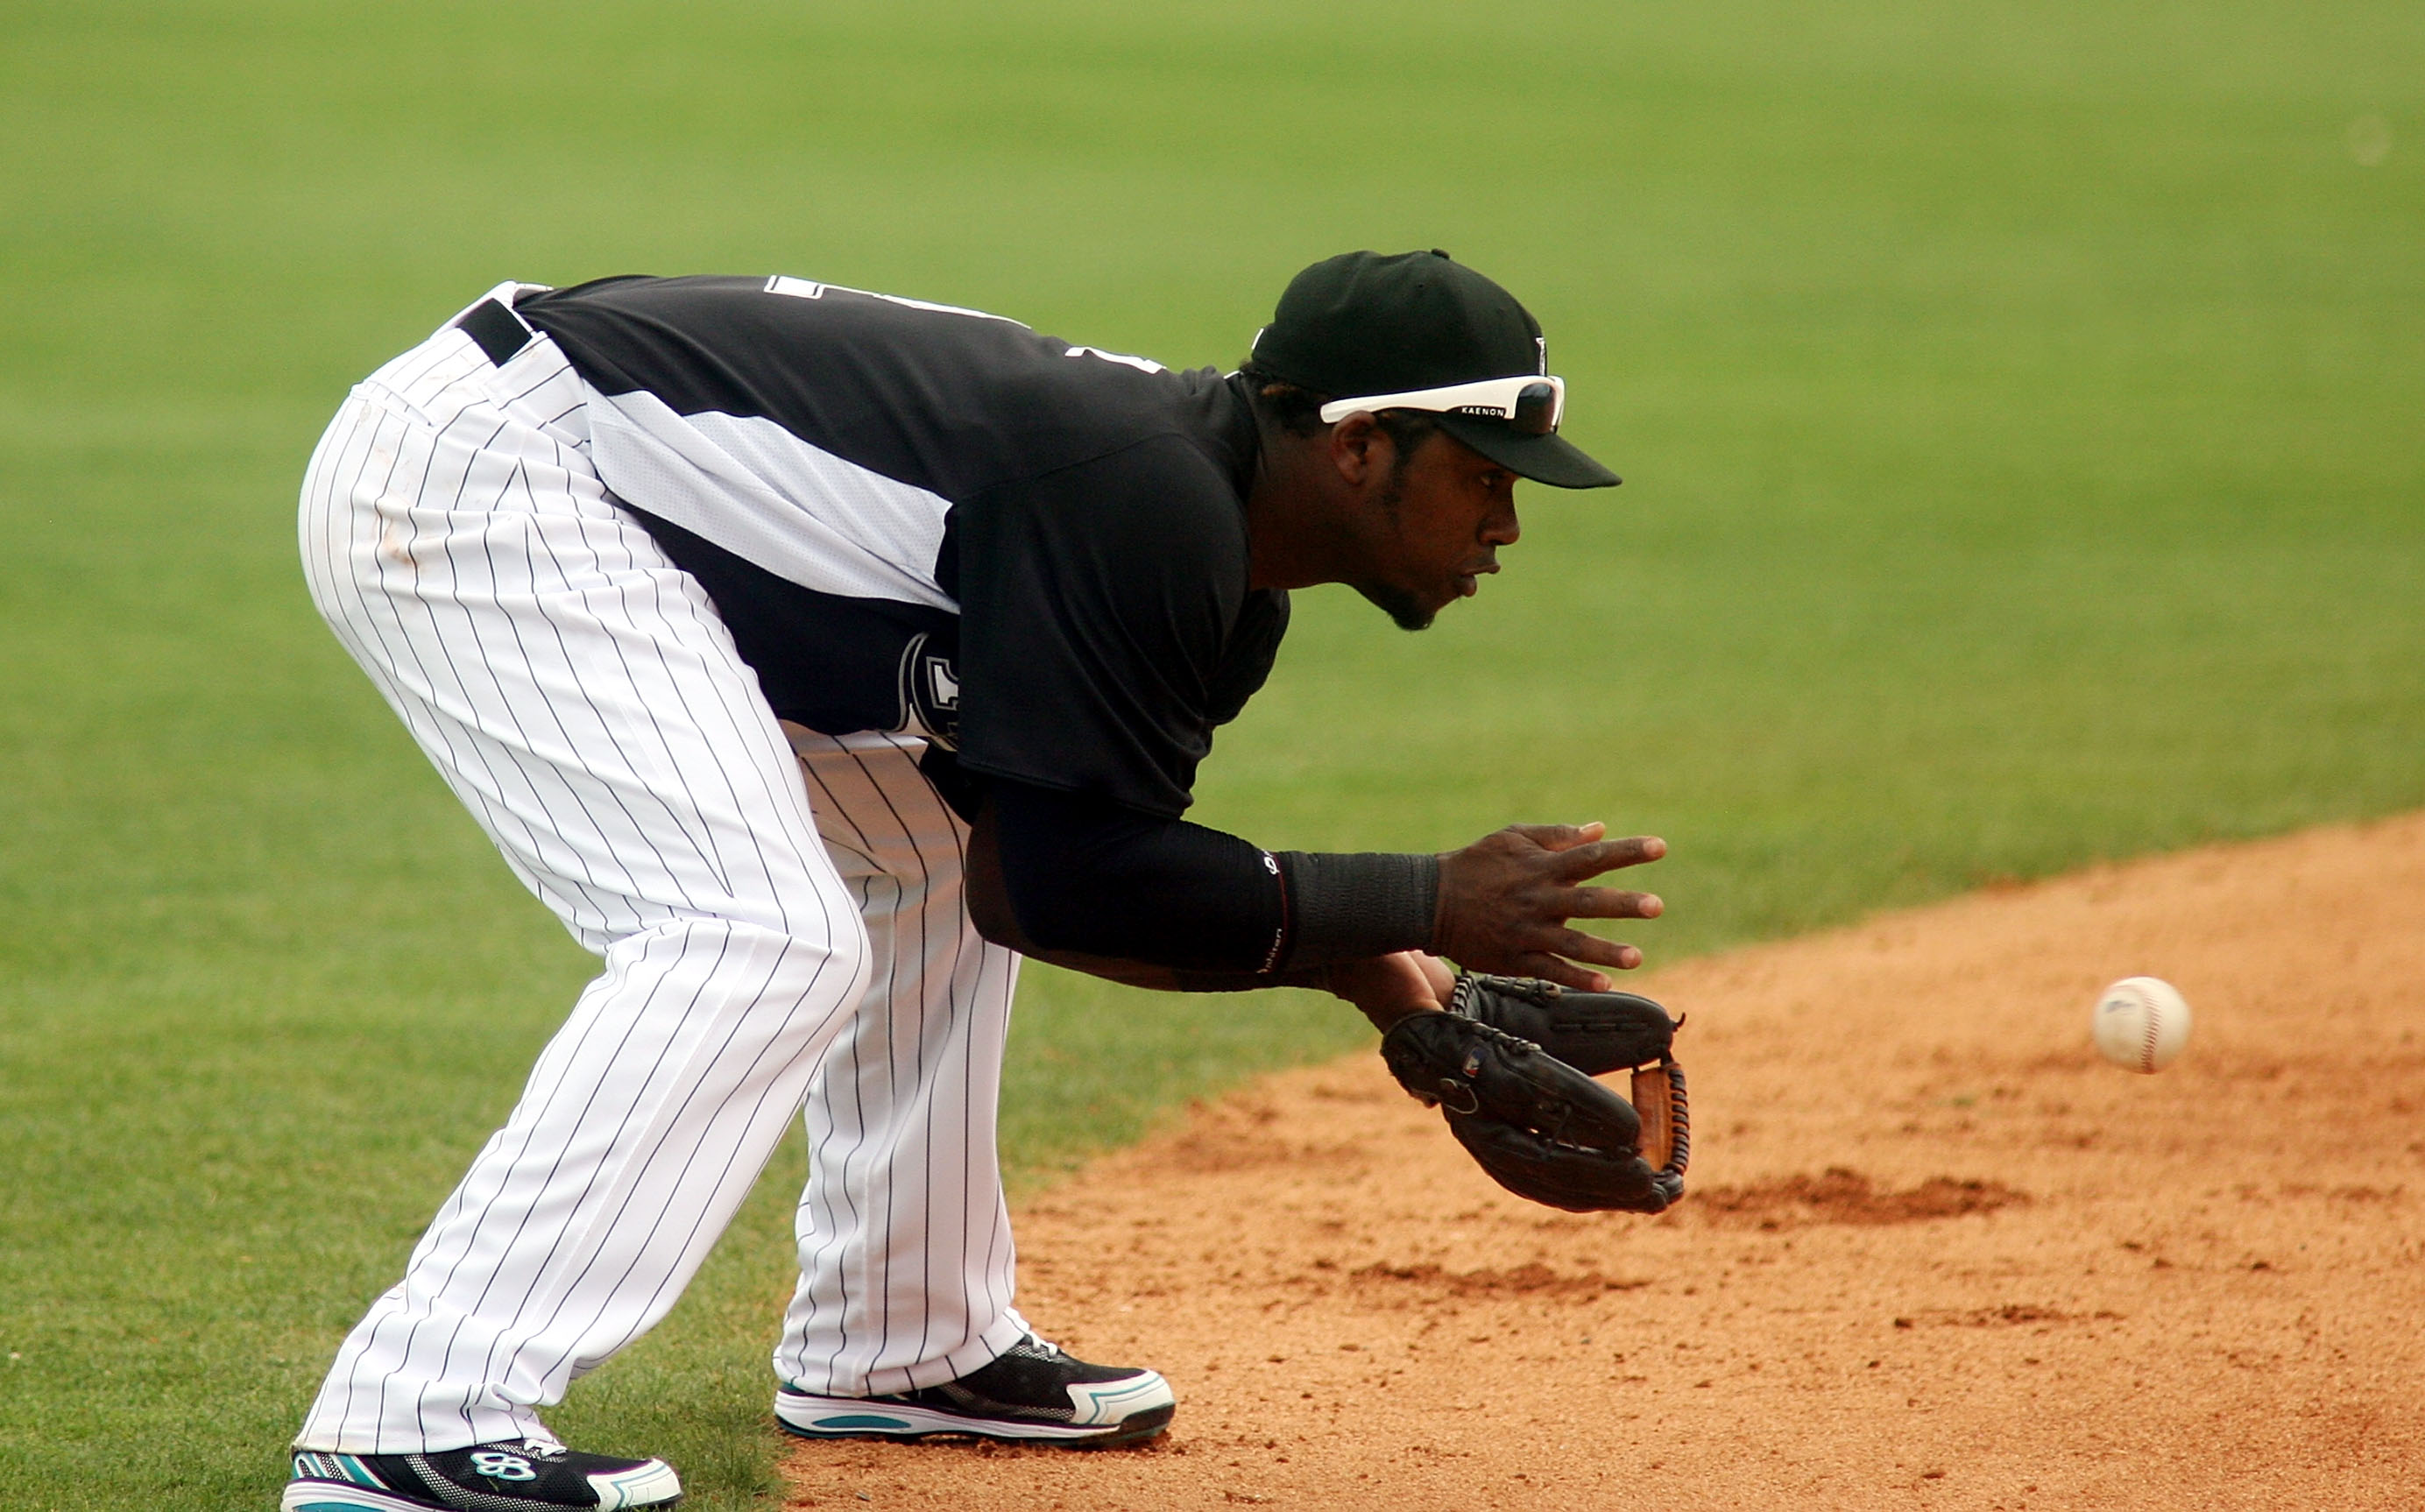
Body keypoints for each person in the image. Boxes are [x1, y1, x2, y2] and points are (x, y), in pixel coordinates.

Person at [281, 250, 1665, 1512]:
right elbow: (1072, 885)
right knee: (757, 936)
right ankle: (415, 1415)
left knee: (931, 853)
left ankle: (899, 1340)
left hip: (575, 472)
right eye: (1485, 474)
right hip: (489, 475)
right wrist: (1424, 898)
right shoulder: (1148, 499)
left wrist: (1386, 976)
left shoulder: (1220, 566)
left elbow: (1044, 865)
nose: (1508, 521)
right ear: (1363, 446)